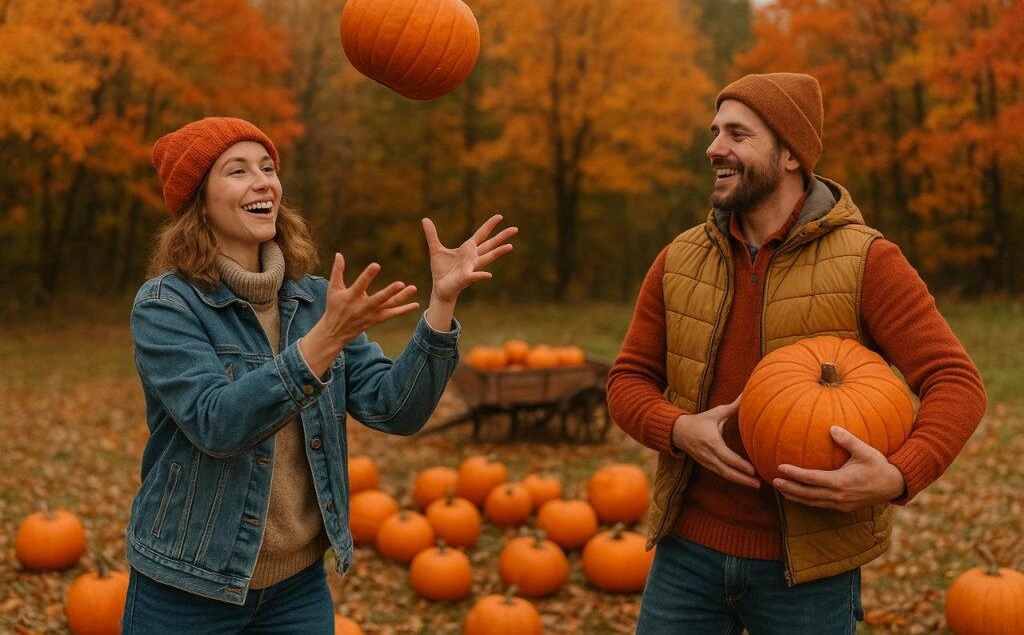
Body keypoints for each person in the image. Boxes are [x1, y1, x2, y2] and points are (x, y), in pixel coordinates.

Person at [607, 73, 986, 634]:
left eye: (737, 134)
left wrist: (898, 476)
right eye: (715, 132)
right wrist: (679, 429)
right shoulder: (679, 259)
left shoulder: (867, 260)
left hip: (809, 574)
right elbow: (627, 380)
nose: (714, 148)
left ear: (789, 153)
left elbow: (957, 382)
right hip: (686, 557)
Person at [122, 117, 516, 634]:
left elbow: (394, 409)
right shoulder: (166, 305)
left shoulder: (312, 302)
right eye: (237, 171)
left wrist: (441, 303)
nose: (262, 181)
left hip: (296, 590)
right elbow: (217, 423)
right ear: (199, 200)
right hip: (187, 584)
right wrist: (324, 341)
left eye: (267, 168)